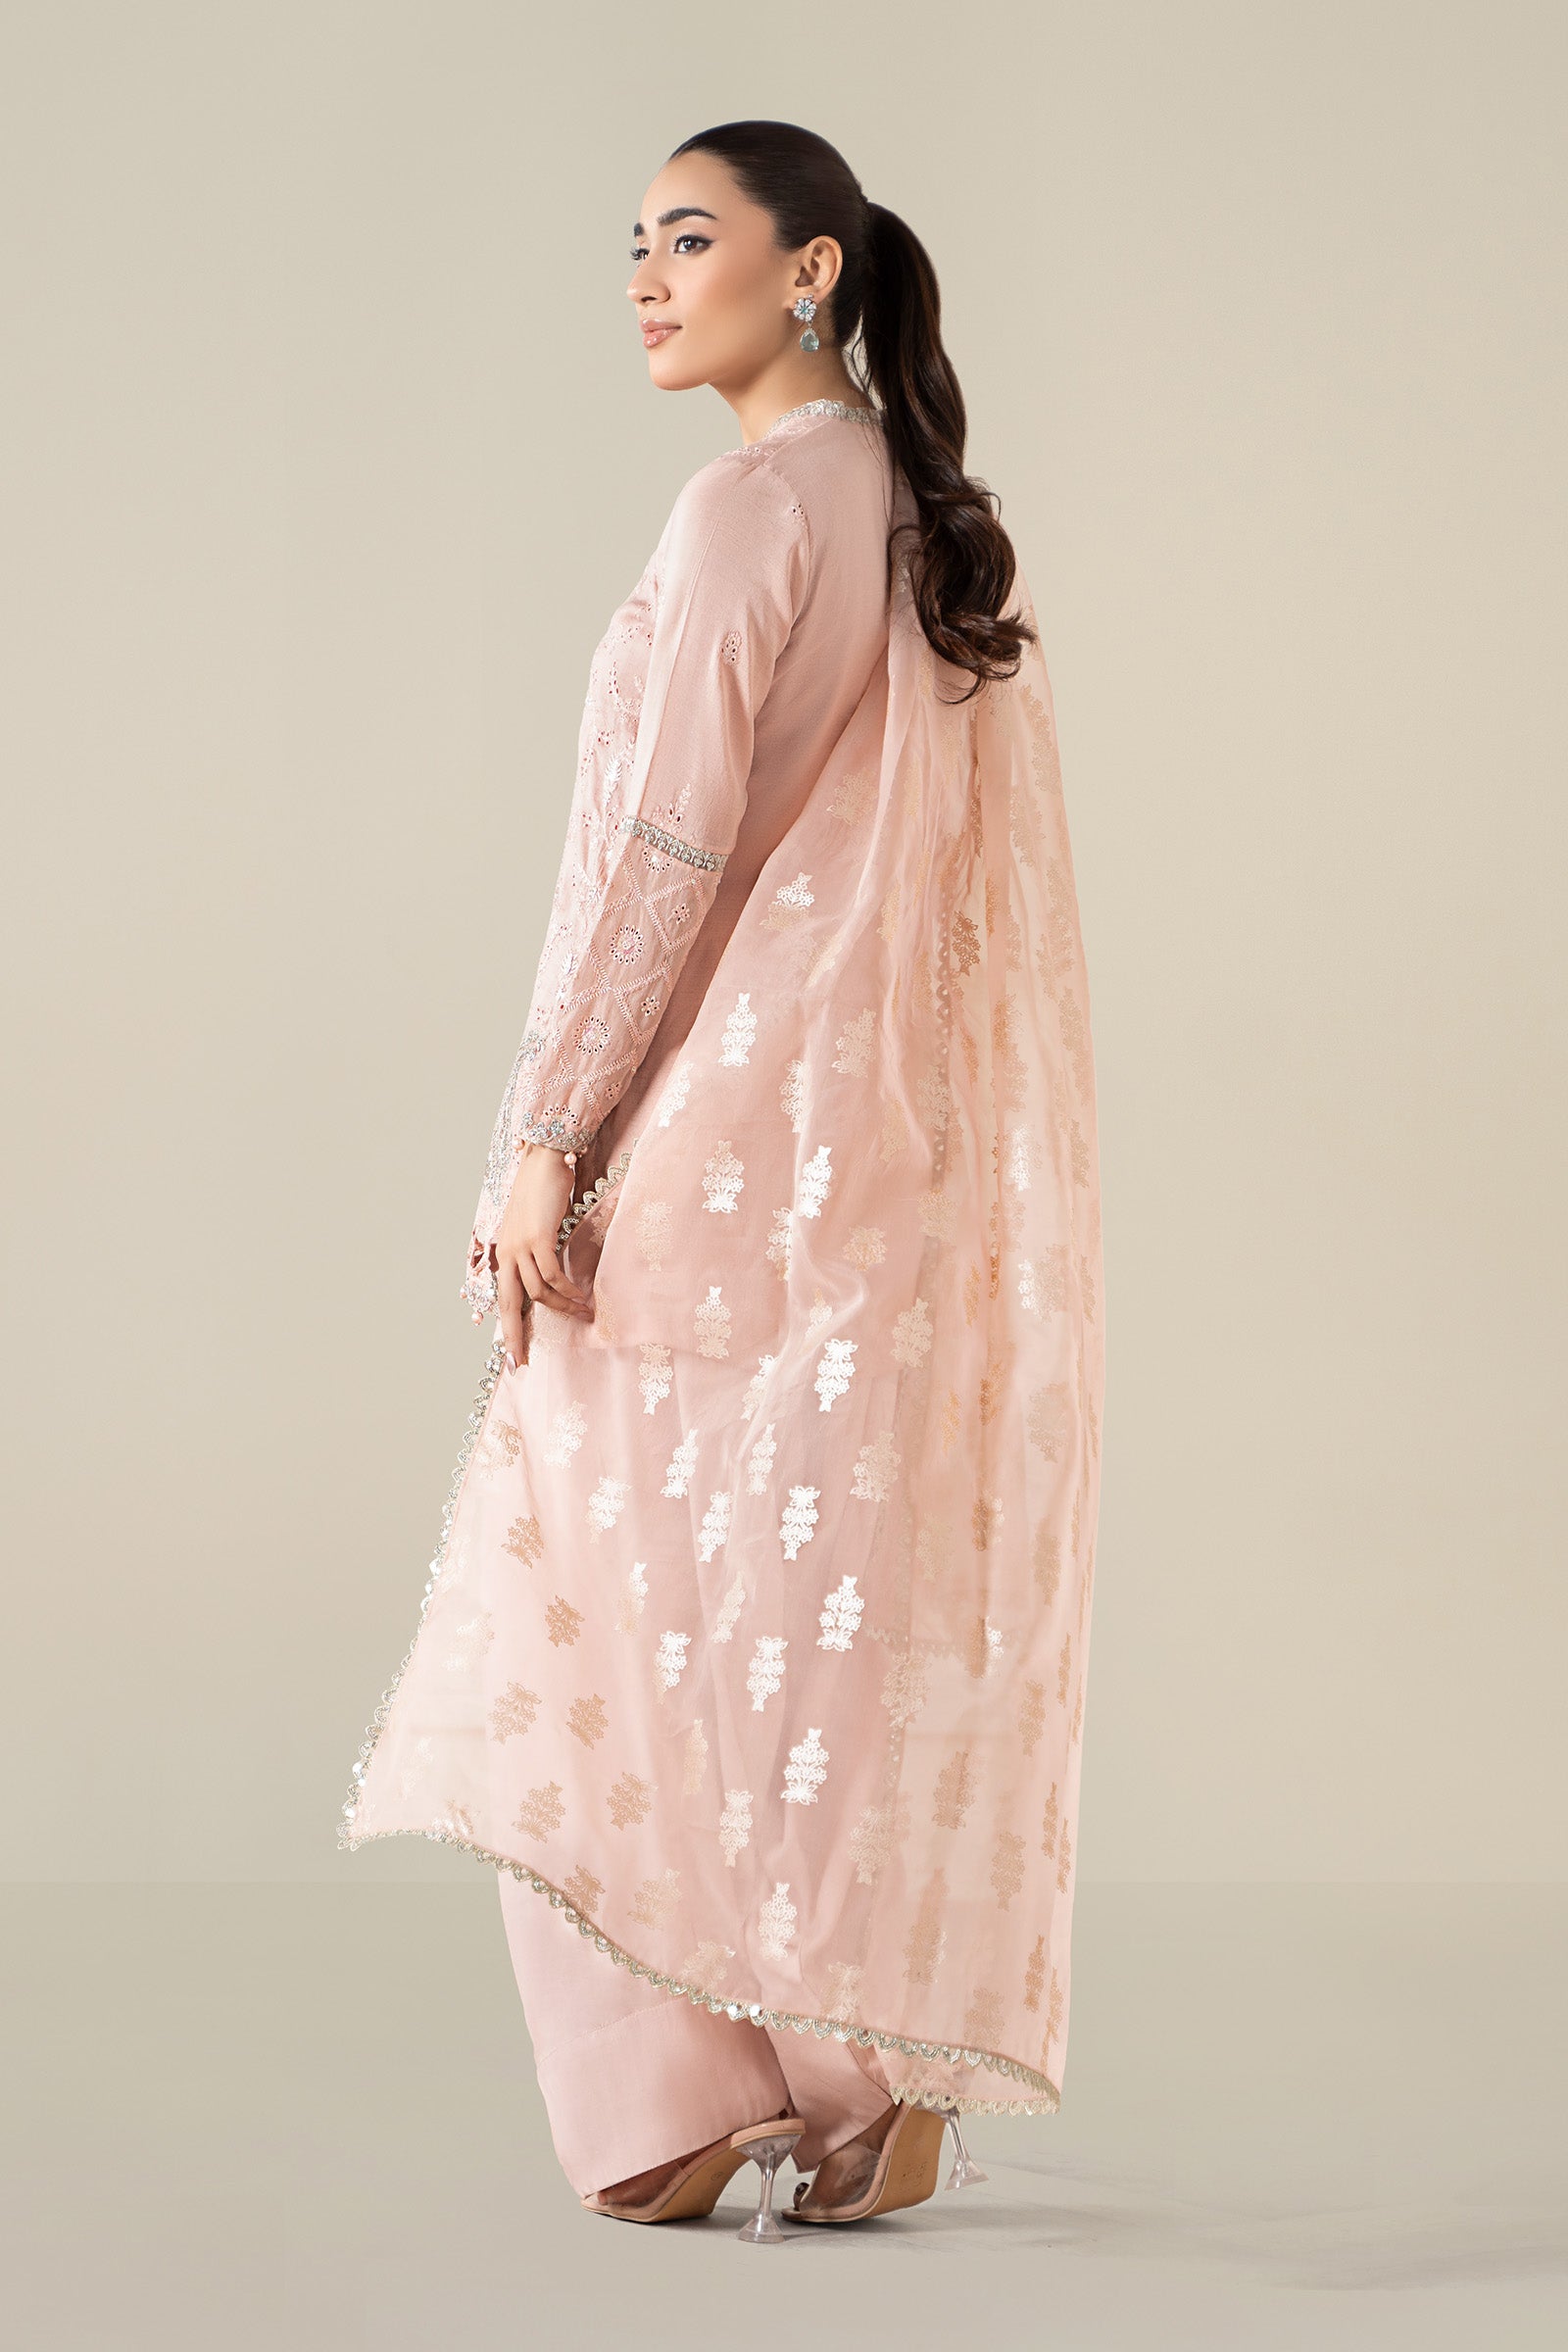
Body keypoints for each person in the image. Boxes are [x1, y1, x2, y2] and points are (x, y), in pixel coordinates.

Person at [339, 119, 1104, 2240]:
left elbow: (665, 852)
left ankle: (675, 2099)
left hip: (697, 1141)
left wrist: (546, 1143)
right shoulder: (923, 519)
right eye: (636, 245)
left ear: (813, 269)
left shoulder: (746, 507)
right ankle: (862, 2078)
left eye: (691, 239)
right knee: (788, 1610)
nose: (646, 280)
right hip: (867, 1163)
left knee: (591, 1599)